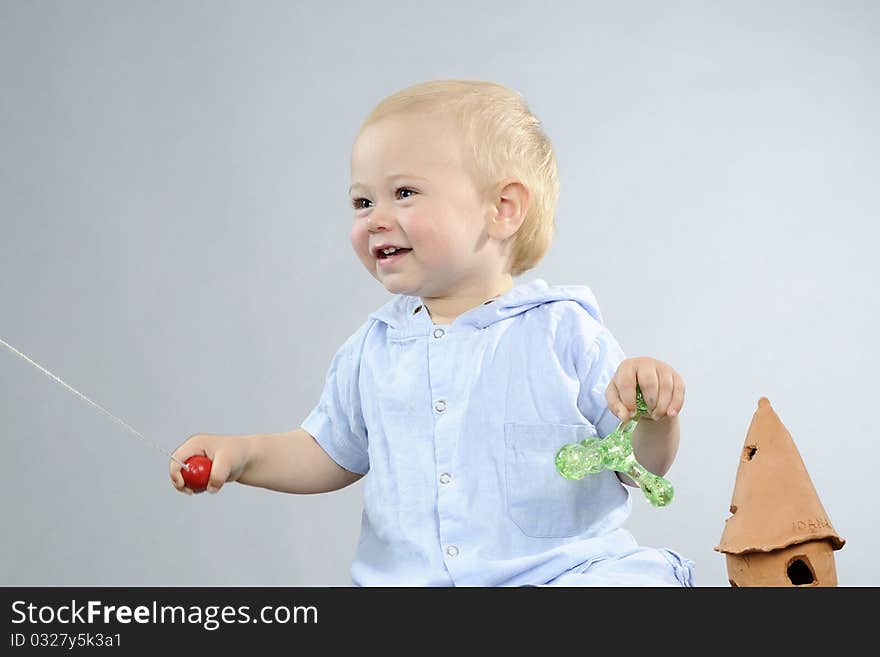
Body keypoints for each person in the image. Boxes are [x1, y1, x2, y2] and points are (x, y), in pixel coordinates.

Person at [169, 79, 695, 587]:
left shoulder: (564, 333)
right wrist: (242, 455)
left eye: (403, 193)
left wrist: (653, 416)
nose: (375, 219)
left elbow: (640, 464)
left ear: (502, 209)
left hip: (559, 578)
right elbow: (327, 451)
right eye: (362, 201)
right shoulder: (373, 349)